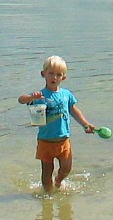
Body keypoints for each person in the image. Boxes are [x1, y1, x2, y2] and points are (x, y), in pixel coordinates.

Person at [18, 55, 97, 193]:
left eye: (58, 75)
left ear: (63, 78)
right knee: (47, 172)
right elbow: (21, 100)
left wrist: (85, 124)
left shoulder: (66, 94)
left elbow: (74, 111)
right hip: (45, 140)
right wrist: (31, 97)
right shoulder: (39, 95)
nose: (54, 77)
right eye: (51, 73)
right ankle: (47, 194)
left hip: (63, 140)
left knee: (66, 168)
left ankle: (59, 180)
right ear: (44, 74)